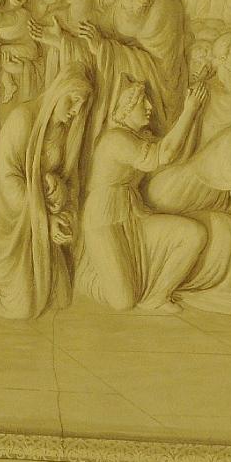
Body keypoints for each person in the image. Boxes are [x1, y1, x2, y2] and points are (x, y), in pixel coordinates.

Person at [75, 81, 208, 313]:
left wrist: (193, 115)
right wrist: (190, 110)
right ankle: (81, 275)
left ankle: (157, 295)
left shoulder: (138, 137)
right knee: (123, 302)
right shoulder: (116, 139)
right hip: (104, 219)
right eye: (141, 102)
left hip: (134, 214)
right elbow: (165, 154)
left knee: (193, 234)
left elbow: (174, 149)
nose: (149, 107)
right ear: (125, 107)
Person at [0, 66, 93, 320]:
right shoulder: (23, 119)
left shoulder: (63, 131)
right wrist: (46, 220)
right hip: (4, 221)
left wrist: (58, 193)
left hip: (34, 220)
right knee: (23, 307)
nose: (75, 110)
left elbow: (67, 180)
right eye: (72, 100)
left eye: (80, 105)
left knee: (60, 296)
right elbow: (8, 179)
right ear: (58, 91)